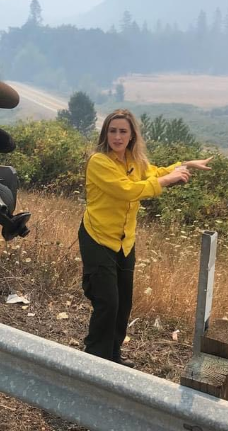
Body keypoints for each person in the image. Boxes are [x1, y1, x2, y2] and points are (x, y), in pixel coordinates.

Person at [78, 109, 212, 367]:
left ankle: (113, 358)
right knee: (107, 303)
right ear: (106, 133)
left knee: (123, 303)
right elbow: (127, 190)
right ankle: (94, 362)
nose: (117, 136)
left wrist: (184, 165)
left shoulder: (132, 161)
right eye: (113, 130)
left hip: (124, 242)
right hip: (98, 238)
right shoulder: (99, 162)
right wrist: (168, 180)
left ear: (132, 136)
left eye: (123, 131)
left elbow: (155, 172)